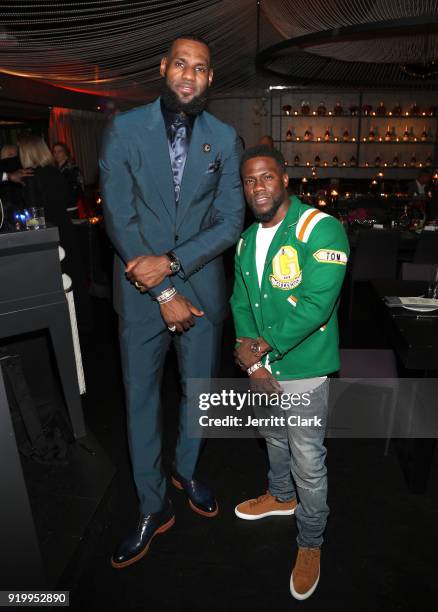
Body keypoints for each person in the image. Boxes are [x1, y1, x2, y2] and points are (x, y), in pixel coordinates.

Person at [99, 34, 244, 569]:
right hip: (140, 293)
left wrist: (176, 267)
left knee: (199, 394)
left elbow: (230, 222)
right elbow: (118, 215)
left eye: (201, 68)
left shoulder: (226, 139)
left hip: (202, 286)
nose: (190, 74)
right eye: (181, 64)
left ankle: (186, 469)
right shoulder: (124, 129)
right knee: (140, 401)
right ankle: (152, 504)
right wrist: (160, 287)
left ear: (210, 79)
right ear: (163, 68)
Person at [230, 145, 349, 600]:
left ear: (284, 178)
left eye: (265, 177)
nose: (257, 187)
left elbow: (318, 304)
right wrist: (255, 362)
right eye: (248, 181)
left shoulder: (319, 229)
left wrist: (262, 347)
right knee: (272, 435)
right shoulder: (245, 240)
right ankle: (280, 496)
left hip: (303, 367)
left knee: (307, 460)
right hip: (262, 364)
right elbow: (241, 302)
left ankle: (311, 542)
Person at [52, 142, 85, 216]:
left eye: (59, 151)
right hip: (60, 208)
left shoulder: (72, 169)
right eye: (54, 152)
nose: (56, 154)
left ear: (66, 153)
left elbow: (78, 190)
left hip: (70, 208)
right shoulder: (55, 169)